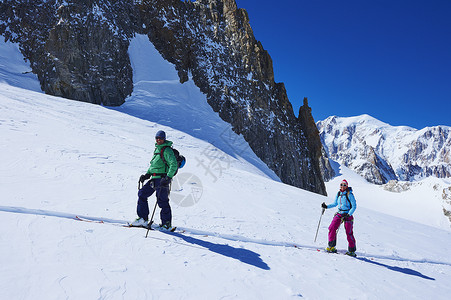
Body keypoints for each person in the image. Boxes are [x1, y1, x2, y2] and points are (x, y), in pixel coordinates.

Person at [130, 130, 178, 230]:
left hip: (162, 179)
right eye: (157, 138)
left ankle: (166, 224)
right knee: (142, 194)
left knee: (162, 201)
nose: (158, 139)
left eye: (160, 138)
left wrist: (168, 177)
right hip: (154, 178)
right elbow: (153, 165)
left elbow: (173, 164)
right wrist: (147, 175)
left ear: (164, 138)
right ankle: (143, 219)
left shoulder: (167, 150)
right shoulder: (157, 150)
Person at [321, 179, 357, 257]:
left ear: (347, 186)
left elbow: (354, 206)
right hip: (340, 213)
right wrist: (326, 206)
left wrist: (349, 214)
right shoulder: (338, 194)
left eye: (344, 185)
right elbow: (335, 204)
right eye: (341, 184)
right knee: (332, 228)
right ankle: (331, 246)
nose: (342, 186)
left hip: (347, 215)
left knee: (349, 232)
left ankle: (351, 251)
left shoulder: (350, 194)